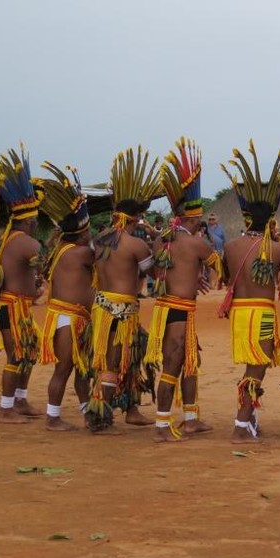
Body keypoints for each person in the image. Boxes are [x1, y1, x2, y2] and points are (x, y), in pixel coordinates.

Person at [147, 137, 224, 442]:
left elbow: (157, 271)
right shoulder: (196, 243)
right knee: (173, 364)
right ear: (193, 218)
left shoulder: (161, 240)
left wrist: (192, 276)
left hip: (169, 307)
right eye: (200, 218)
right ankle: (162, 425)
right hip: (179, 309)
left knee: (192, 362)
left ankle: (191, 419)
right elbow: (222, 268)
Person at [219, 141, 280, 443]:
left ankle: (250, 421)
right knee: (257, 368)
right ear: (270, 220)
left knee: (254, 365)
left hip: (239, 311)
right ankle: (240, 424)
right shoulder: (276, 249)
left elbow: (225, 276)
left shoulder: (230, 247)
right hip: (261, 312)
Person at [86, 146, 159, 433]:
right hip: (120, 311)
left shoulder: (99, 239)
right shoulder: (137, 244)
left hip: (102, 306)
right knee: (113, 361)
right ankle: (98, 413)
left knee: (130, 354)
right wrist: (156, 240)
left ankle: (131, 409)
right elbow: (153, 272)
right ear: (135, 218)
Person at [0, 147, 44, 424]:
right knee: (17, 355)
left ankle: (19, 400)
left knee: (27, 353)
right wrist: (39, 290)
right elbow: (36, 280)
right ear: (28, 220)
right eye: (34, 221)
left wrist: (34, 289)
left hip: (10, 306)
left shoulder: (2, 239)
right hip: (12, 306)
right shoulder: (28, 243)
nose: (35, 225)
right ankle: (8, 407)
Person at [37, 163, 94, 431]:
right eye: (88, 231)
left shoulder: (64, 249)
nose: (90, 234)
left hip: (71, 316)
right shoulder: (80, 253)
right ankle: (52, 417)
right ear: (81, 232)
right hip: (68, 318)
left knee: (81, 368)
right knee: (65, 368)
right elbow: (107, 257)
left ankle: (87, 413)